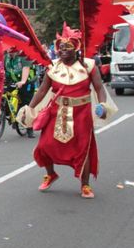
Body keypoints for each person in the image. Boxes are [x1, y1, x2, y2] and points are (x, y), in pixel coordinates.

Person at [24, 26, 107, 199]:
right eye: (60, 47)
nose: (62, 51)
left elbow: (99, 88)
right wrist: (29, 108)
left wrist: (103, 105)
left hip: (82, 114)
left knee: (82, 149)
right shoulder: (53, 67)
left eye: (66, 47)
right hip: (57, 112)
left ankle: (85, 185)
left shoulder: (88, 66)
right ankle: (51, 174)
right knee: (44, 146)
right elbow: (41, 91)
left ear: (76, 48)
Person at [5, 51, 37, 138]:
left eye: (11, 50)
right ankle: (9, 115)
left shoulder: (24, 56)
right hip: (13, 82)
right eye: (8, 50)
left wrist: (23, 81)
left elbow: (26, 68)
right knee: (4, 96)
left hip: (27, 82)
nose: (9, 52)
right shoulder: (6, 58)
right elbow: (3, 70)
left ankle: (30, 129)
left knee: (26, 105)